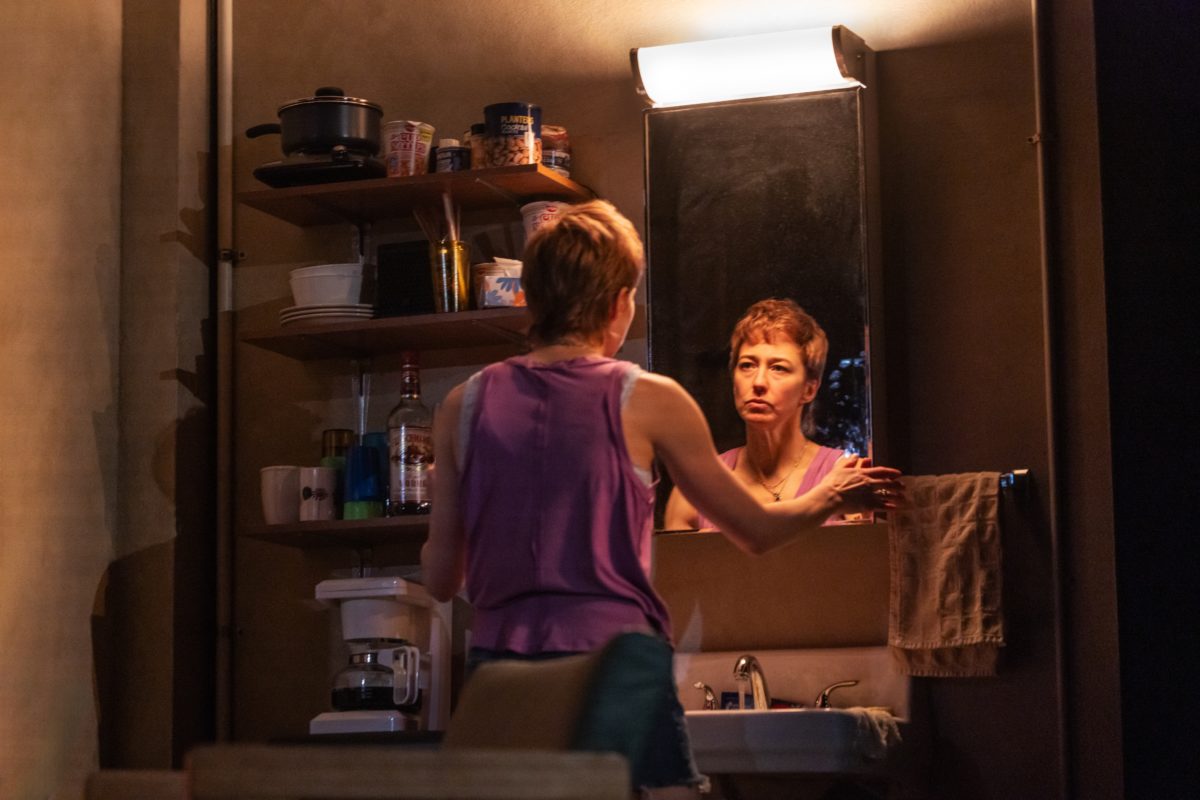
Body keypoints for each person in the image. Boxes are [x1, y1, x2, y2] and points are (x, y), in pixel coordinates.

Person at [420, 200, 902, 798]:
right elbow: (756, 531)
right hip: (615, 663)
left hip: (501, 666)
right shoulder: (649, 398)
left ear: (532, 297)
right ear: (619, 304)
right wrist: (832, 496)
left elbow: (440, 579)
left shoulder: (461, 405)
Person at [664, 298, 852, 531]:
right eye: (747, 365)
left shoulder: (844, 479)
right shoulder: (694, 491)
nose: (759, 382)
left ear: (809, 389)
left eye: (778, 368)